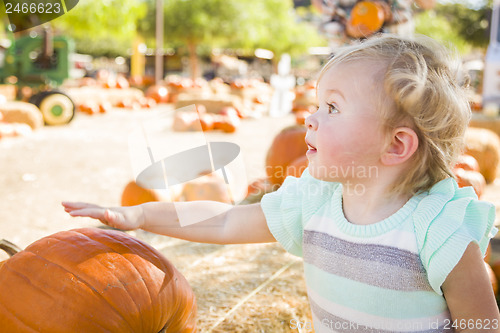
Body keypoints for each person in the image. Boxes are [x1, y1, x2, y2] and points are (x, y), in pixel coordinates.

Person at [63, 34, 500, 331]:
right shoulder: (315, 203)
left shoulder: (437, 230)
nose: (310, 118)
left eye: (332, 108)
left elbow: (481, 324)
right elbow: (223, 221)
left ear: (395, 145)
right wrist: (138, 214)